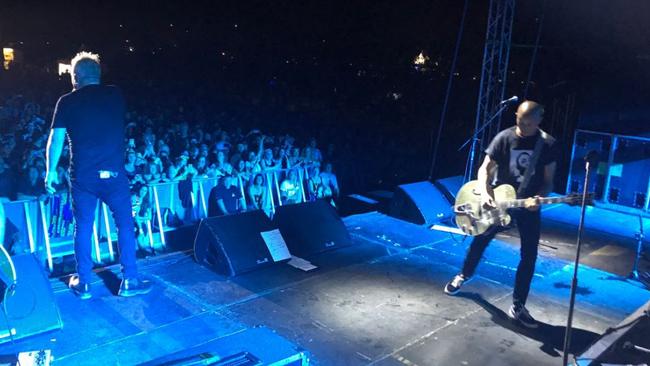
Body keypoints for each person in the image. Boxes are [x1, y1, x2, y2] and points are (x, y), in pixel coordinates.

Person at [45, 51, 152, 299]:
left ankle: (83, 284)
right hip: (114, 176)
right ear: (99, 74)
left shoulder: (67, 101)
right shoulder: (115, 94)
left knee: (83, 227)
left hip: (84, 178)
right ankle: (129, 280)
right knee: (124, 225)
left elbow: (56, 138)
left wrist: (50, 171)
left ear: (75, 77)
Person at [444, 101, 557, 329]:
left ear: (539, 121)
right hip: (498, 200)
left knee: (529, 255)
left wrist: (539, 198)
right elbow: (485, 168)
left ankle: (518, 305)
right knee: (479, 240)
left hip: (525, 205)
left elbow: (548, 182)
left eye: (528, 123)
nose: (522, 127)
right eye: (519, 121)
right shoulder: (504, 138)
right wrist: (486, 193)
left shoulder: (548, 144)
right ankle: (463, 275)